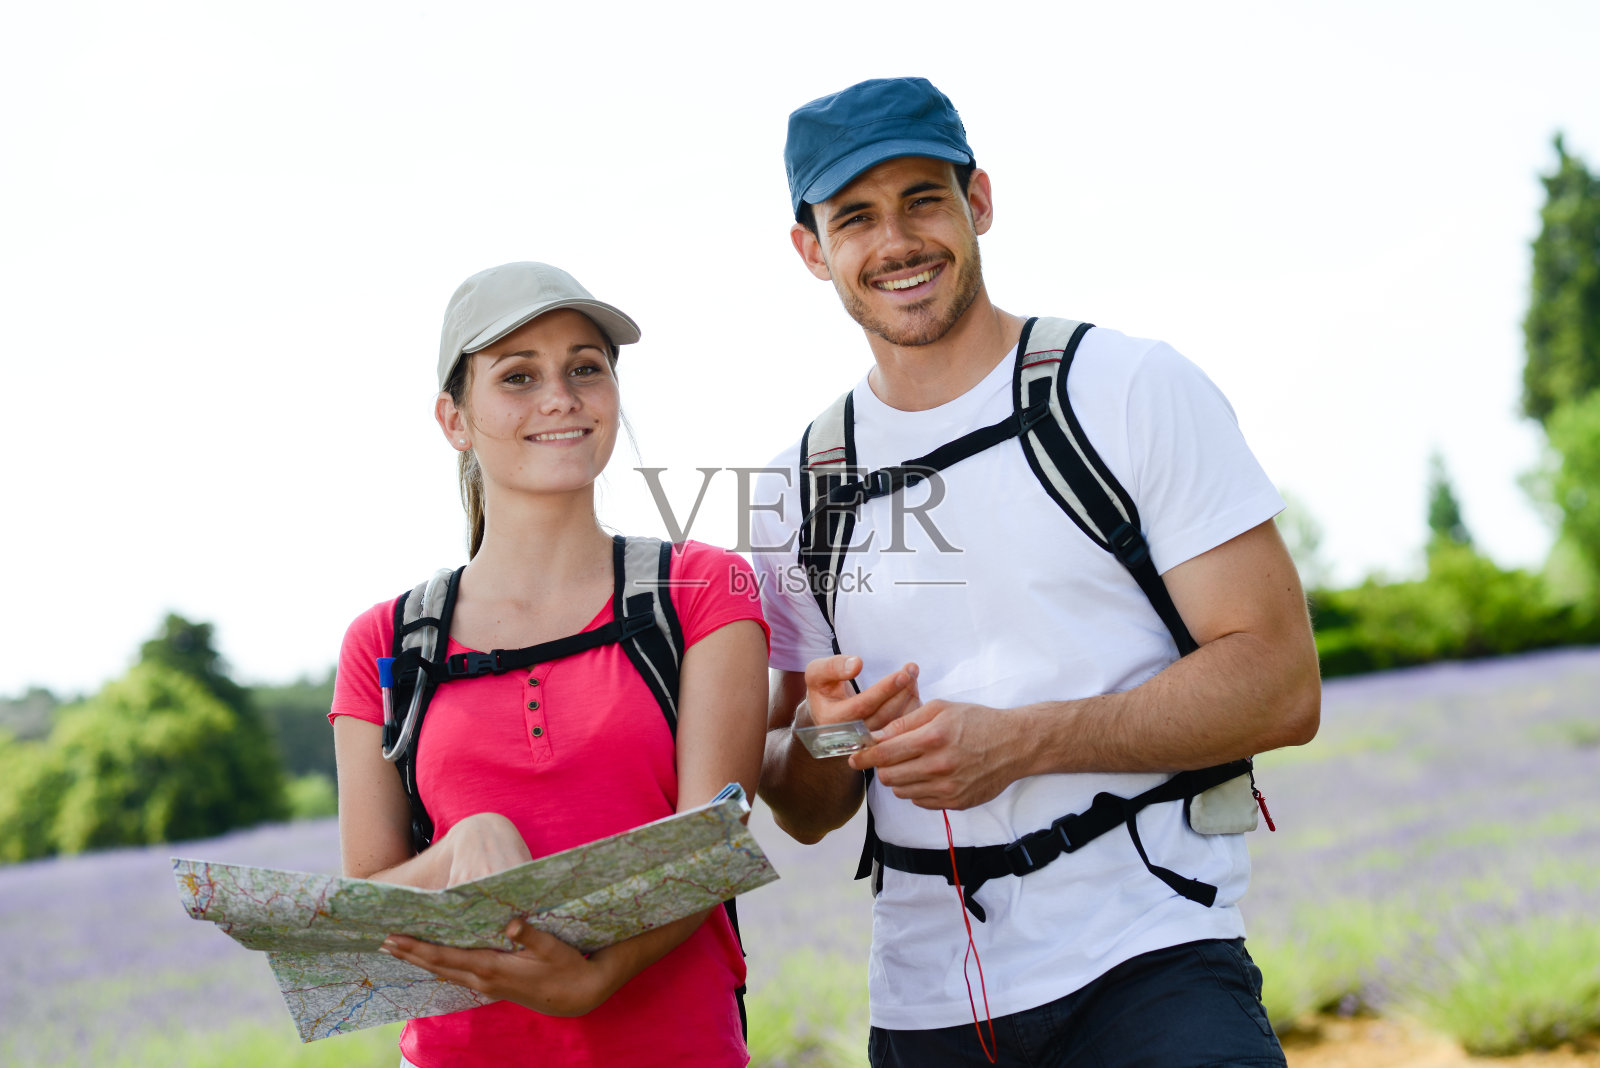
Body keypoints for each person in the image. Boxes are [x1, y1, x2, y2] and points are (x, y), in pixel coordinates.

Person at [751, 77, 1322, 1067]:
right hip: (927, 1005)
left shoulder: (1127, 389)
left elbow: (1279, 686)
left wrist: (1021, 744)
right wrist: (825, 738)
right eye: (854, 217)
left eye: (922, 199)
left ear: (977, 201)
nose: (895, 242)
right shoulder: (797, 487)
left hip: (1155, 959)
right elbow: (809, 810)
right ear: (811, 250)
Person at [330, 261, 769, 1067]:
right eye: (518, 376)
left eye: (585, 368)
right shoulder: (384, 644)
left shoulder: (704, 589)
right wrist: (465, 845)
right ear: (453, 419)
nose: (560, 397)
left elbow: (713, 845)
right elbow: (367, 914)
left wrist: (596, 977)